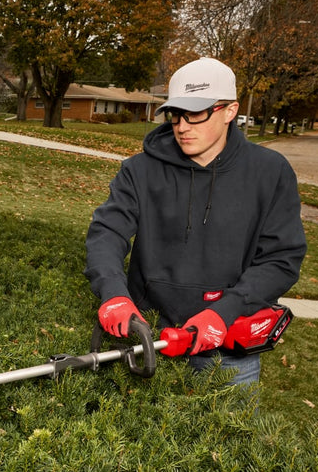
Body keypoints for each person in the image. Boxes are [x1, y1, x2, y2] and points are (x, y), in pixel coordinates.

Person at [84, 57, 306, 384]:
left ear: (230, 110)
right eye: (176, 114)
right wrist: (114, 293)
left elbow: (281, 259)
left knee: (227, 433)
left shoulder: (270, 173)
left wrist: (224, 312)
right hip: (148, 332)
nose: (182, 126)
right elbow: (107, 233)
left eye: (196, 113)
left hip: (225, 346)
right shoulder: (139, 170)